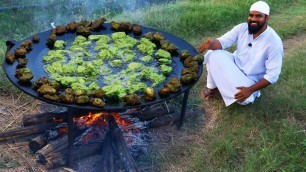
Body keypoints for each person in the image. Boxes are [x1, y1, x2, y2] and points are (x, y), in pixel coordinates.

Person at [198, 1, 283, 106]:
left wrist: (250, 90)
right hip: (235, 64)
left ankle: (254, 93)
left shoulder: (274, 42)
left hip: (250, 79)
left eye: (258, 16)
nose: (253, 19)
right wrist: (209, 45)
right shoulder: (242, 28)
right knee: (212, 54)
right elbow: (222, 42)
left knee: (242, 99)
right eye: (251, 15)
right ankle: (212, 89)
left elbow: (272, 75)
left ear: (267, 18)